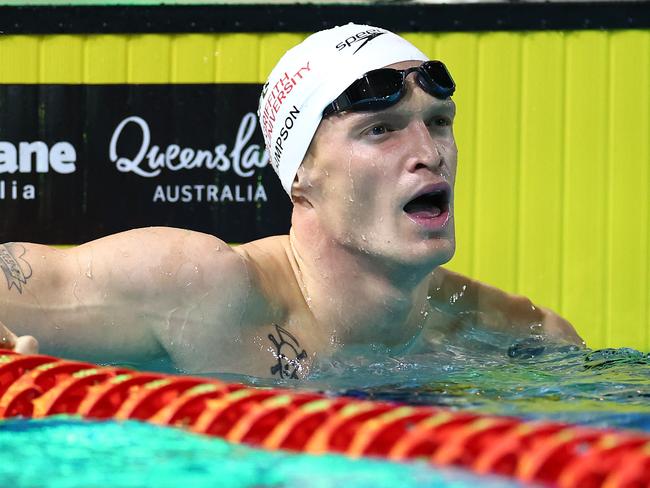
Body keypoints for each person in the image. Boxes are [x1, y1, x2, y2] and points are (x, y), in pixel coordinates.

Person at [0, 24, 583, 379]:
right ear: (299, 173)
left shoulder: (515, 338)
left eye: (438, 122)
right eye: (381, 129)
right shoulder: (201, 289)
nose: (429, 152)